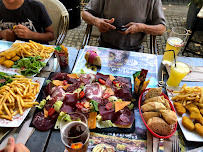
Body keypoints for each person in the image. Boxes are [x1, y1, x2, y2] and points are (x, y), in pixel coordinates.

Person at [81, 0, 166, 51]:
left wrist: (141, 28)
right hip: (105, 47)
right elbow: (84, 13)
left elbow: (161, 29)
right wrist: (97, 21)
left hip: (134, 50)